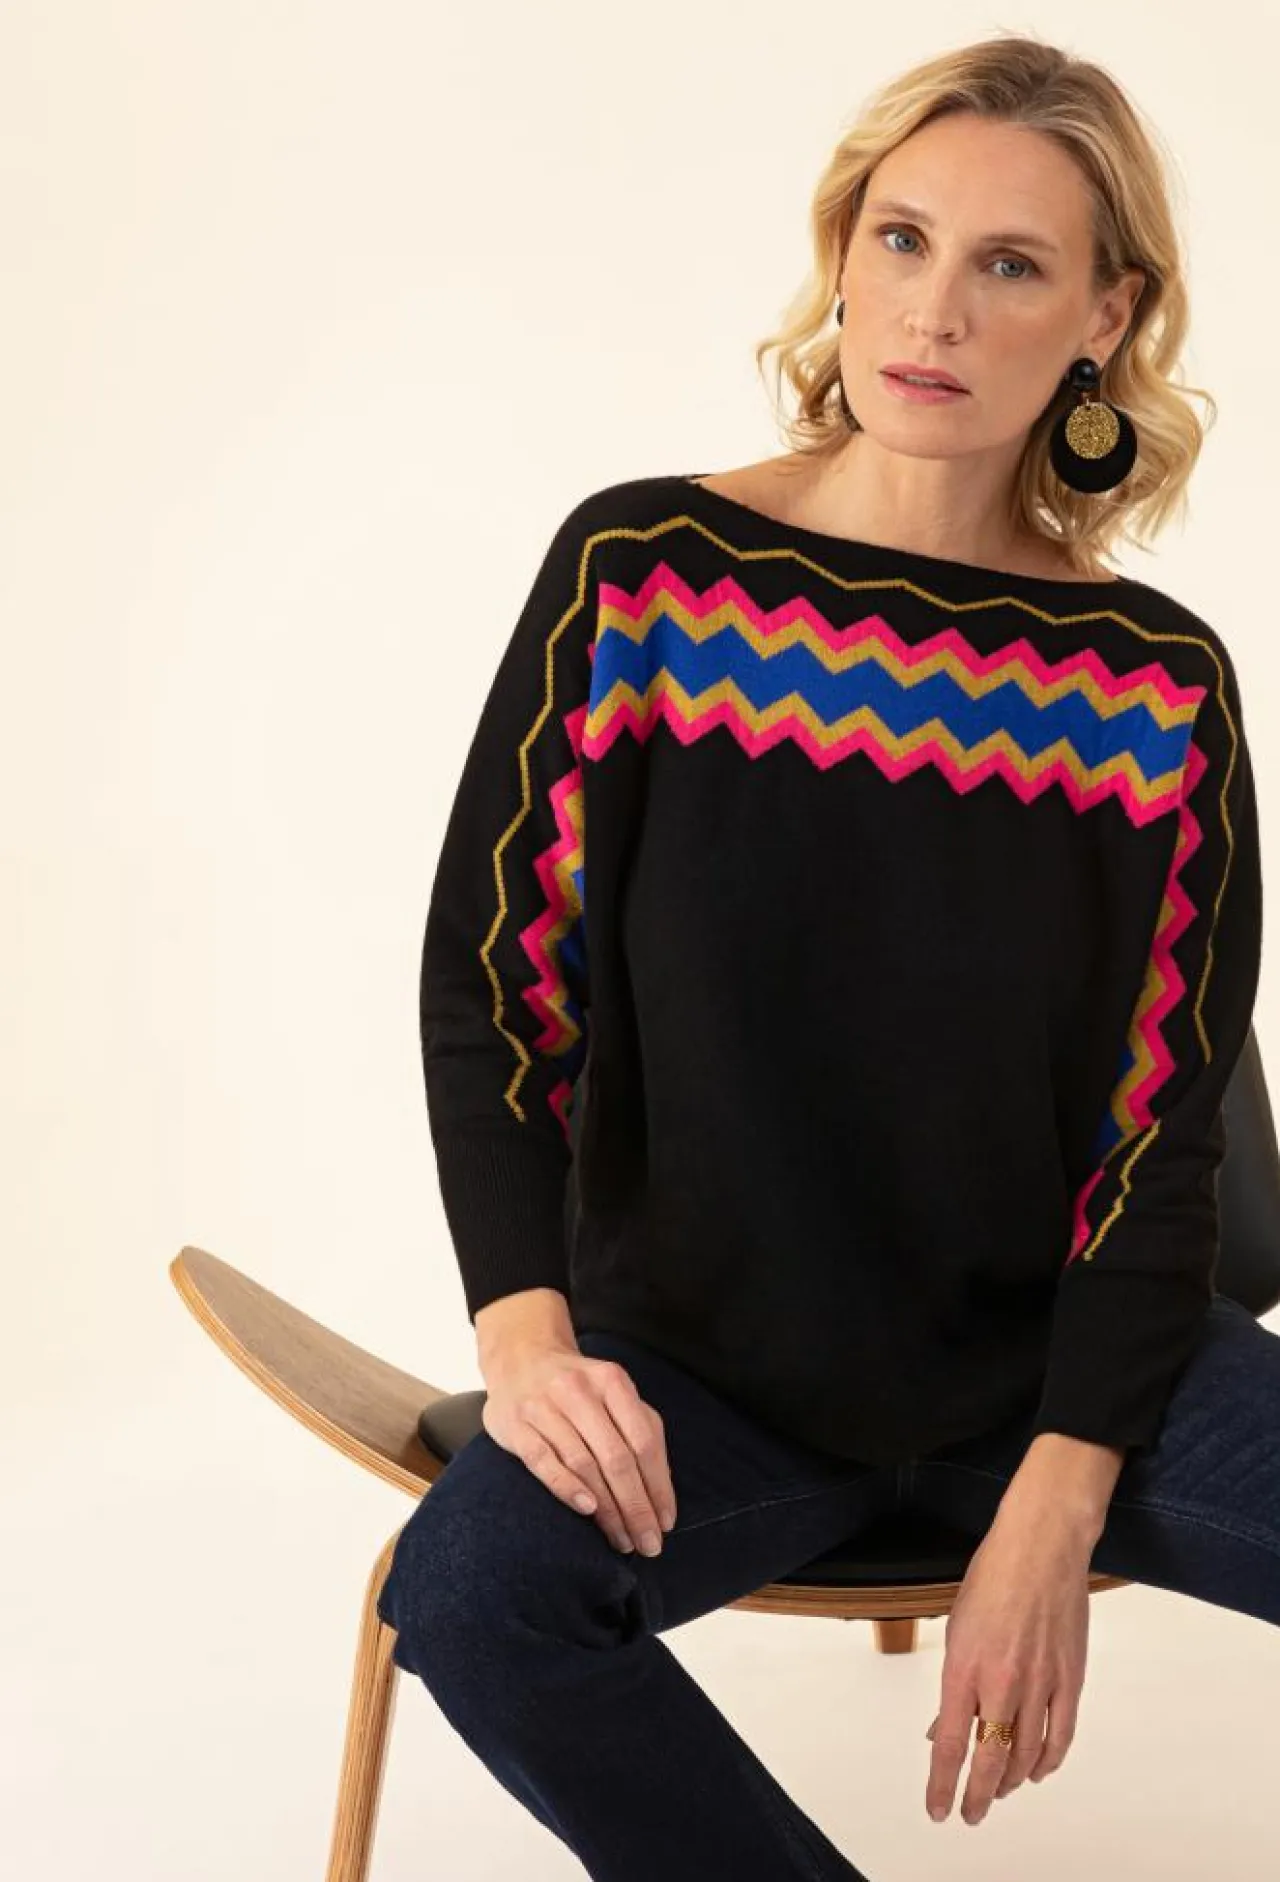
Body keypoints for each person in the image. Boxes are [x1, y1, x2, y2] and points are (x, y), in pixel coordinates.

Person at [376, 32, 1278, 1881]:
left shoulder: (1155, 686)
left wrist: (1061, 1494)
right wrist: (526, 1339)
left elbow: (1160, 1135)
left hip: (1061, 1381)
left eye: (1013, 265)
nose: (934, 310)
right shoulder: (642, 573)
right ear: (843, 252)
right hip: (702, 1383)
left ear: (1106, 316)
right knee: (468, 1590)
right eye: (903, 238)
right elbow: (494, 988)